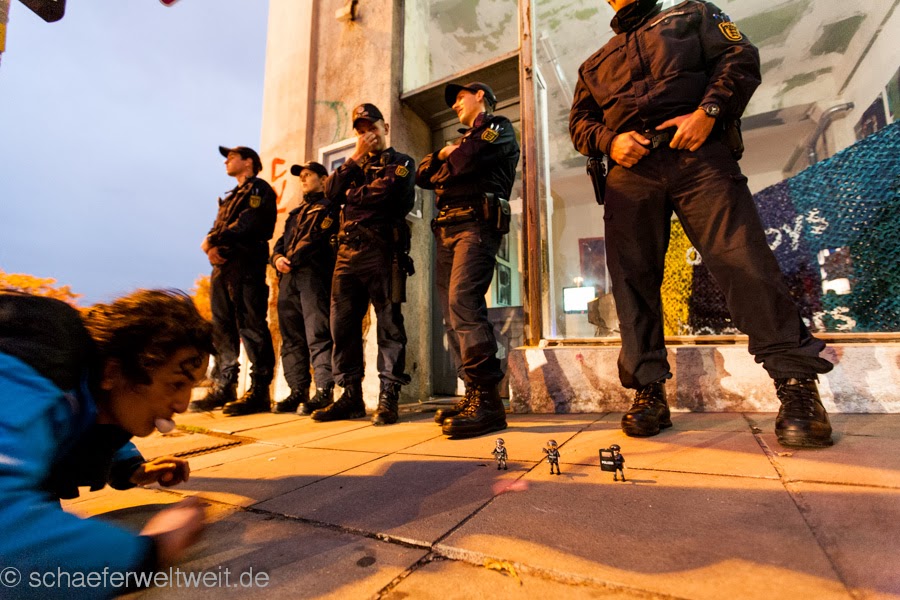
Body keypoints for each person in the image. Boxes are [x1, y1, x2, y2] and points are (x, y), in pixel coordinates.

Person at [569, 0, 834, 447]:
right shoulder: (593, 64)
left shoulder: (690, 14)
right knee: (632, 282)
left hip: (697, 153)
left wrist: (708, 112)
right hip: (630, 173)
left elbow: (739, 57)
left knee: (743, 261)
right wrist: (609, 141)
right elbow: (580, 122)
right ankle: (648, 391)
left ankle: (796, 384)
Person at [0, 289, 213, 596]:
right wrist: (151, 550)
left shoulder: (77, 382)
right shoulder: (41, 357)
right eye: (176, 384)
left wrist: (129, 466)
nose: (182, 404)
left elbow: (89, 415)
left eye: (190, 386)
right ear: (113, 372)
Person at [416, 81, 520, 438]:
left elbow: (467, 160)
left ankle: (488, 401)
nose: (455, 104)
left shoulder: (499, 127)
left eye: (460, 97)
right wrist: (447, 154)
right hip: (446, 229)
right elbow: (423, 175)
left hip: (476, 225)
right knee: (450, 312)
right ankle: (473, 392)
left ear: (480, 96)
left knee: (464, 302)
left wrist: (450, 157)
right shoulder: (462, 142)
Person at [312, 103, 415, 426]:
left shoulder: (401, 162)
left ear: (385, 128)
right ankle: (351, 395)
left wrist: (351, 196)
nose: (367, 134)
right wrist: (355, 158)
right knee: (341, 326)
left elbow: (386, 195)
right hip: (346, 254)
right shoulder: (354, 165)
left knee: (389, 324)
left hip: (382, 250)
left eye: (372, 127)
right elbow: (330, 192)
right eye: (361, 130)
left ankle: (388, 396)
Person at [191, 145, 277, 416]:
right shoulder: (230, 197)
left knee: (251, 325)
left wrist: (212, 240)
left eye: (231, 157)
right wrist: (212, 247)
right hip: (223, 267)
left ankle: (259, 390)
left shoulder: (259, 189)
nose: (226, 161)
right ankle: (225, 384)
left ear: (248, 161)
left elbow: (248, 223)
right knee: (222, 327)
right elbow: (219, 228)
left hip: (246, 265)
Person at [271, 161, 339, 415]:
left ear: (323, 179)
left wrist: (289, 259)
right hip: (288, 278)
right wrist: (277, 258)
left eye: (308, 174)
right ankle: (298, 390)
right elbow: (280, 243)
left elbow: (315, 239)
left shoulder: (329, 207)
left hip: (313, 276)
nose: (303, 179)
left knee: (317, 332)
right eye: (301, 176)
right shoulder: (296, 213)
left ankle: (324, 388)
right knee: (291, 336)